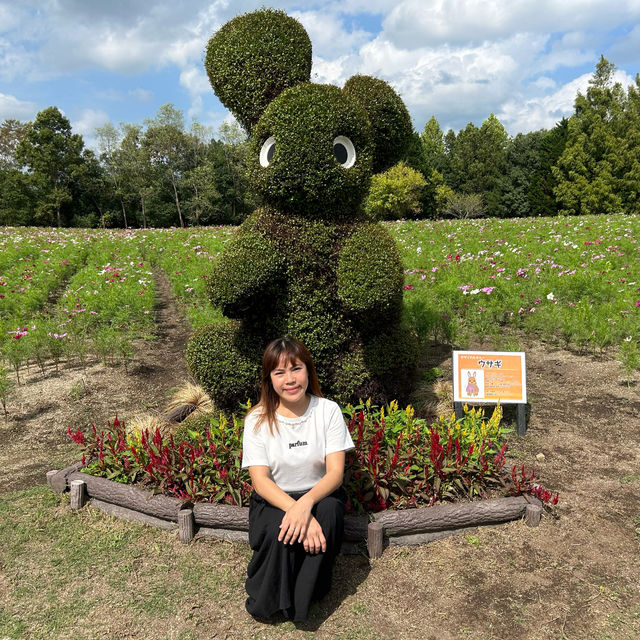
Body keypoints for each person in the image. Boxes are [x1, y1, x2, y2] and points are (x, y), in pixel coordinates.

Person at [241, 336, 355, 622]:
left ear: (308, 371)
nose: (290, 380)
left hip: (320, 494)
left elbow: (335, 474)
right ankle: (272, 596)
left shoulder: (327, 411)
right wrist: (296, 510)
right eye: (279, 372)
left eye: (296, 369)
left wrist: (306, 505)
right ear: (269, 379)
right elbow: (261, 481)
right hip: (274, 498)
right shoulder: (257, 419)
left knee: (328, 512)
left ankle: (308, 595)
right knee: (281, 528)